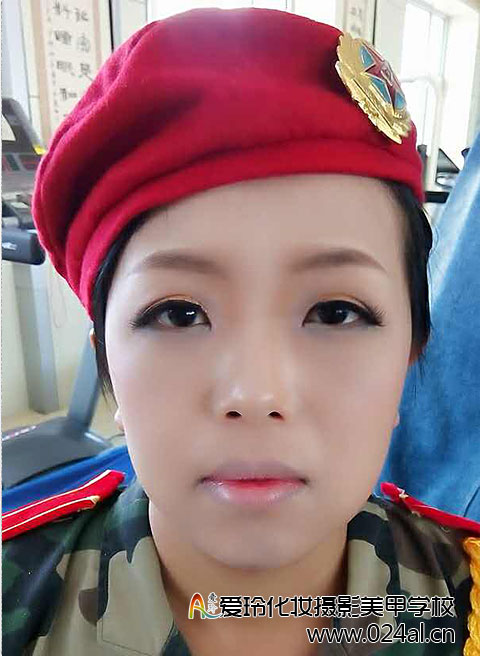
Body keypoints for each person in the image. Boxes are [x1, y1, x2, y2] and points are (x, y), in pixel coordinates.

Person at [2, 7, 479, 656]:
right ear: (105, 360)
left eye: (335, 312)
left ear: (410, 355)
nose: (255, 394)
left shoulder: (464, 601)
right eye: (179, 313)